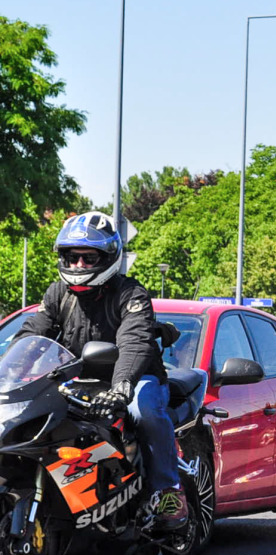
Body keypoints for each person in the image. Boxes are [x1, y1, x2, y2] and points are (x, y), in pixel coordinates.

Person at [16, 212, 187, 530]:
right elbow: (32, 336)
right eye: (72, 256)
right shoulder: (57, 294)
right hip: (78, 380)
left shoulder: (131, 294)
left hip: (135, 379)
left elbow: (135, 342)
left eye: (88, 257)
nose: (79, 265)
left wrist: (122, 386)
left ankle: (168, 492)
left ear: (108, 258)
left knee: (144, 408)